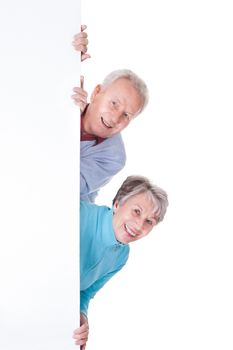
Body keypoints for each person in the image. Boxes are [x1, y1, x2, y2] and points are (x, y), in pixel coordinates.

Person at [73, 175, 169, 349]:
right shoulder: (77, 216)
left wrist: (81, 316)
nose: (139, 226)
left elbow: (85, 292)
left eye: (149, 221)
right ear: (117, 203)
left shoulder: (121, 255)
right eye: (136, 211)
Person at [72, 28, 149, 203]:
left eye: (127, 115)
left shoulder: (114, 157)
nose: (115, 118)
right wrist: (65, 56)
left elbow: (65, 183)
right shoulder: (70, 98)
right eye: (114, 103)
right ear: (97, 92)